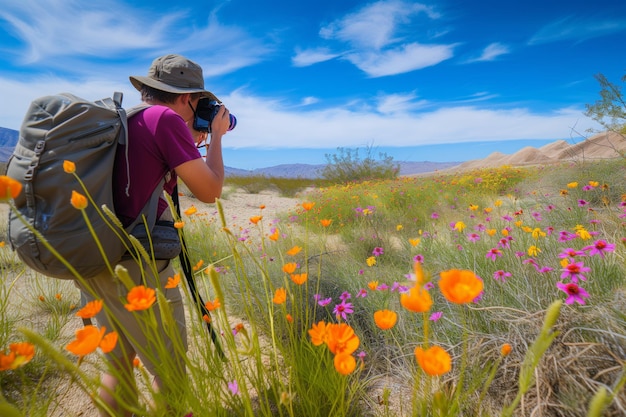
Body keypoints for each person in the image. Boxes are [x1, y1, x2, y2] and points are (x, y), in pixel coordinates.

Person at [78, 54, 232, 417]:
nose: (200, 109)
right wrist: (218, 138)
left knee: (119, 364)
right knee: (170, 369)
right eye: (199, 101)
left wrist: (191, 138)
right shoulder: (165, 120)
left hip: (96, 255)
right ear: (184, 97)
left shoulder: (128, 120)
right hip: (139, 264)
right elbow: (210, 191)